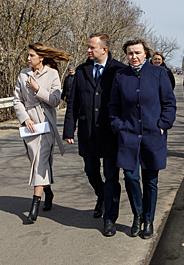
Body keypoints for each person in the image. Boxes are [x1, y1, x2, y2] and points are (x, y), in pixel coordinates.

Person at [108, 39, 176, 239]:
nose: (134, 57)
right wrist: (118, 125)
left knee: (151, 180)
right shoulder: (121, 76)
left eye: (137, 52)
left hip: (153, 135)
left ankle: (149, 219)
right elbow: (113, 105)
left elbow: (169, 103)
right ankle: (137, 215)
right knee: (130, 177)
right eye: (130, 53)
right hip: (128, 134)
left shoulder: (159, 74)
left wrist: (163, 124)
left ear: (145, 54)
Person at [63, 33, 125, 237]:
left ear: (104, 49)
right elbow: (73, 103)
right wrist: (69, 129)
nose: (88, 51)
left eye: (92, 47)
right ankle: (102, 196)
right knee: (90, 171)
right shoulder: (81, 71)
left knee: (111, 176)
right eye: (88, 47)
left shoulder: (118, 70)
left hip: (110, 133)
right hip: (88, 132)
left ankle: (109, 218)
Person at [13, 42, 70, 223]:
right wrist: (25, 118)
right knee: (35, 161)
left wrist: (38, 89)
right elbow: (17, 100)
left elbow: (55, 101)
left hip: (46, 123)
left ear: (41, 57)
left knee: (40, 162)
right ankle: (48, 191)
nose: (28, 58)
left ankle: (34, 205)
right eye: (28, 55)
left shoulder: (52, 74)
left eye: (31, 55)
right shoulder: (23, 74)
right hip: (29, 125)